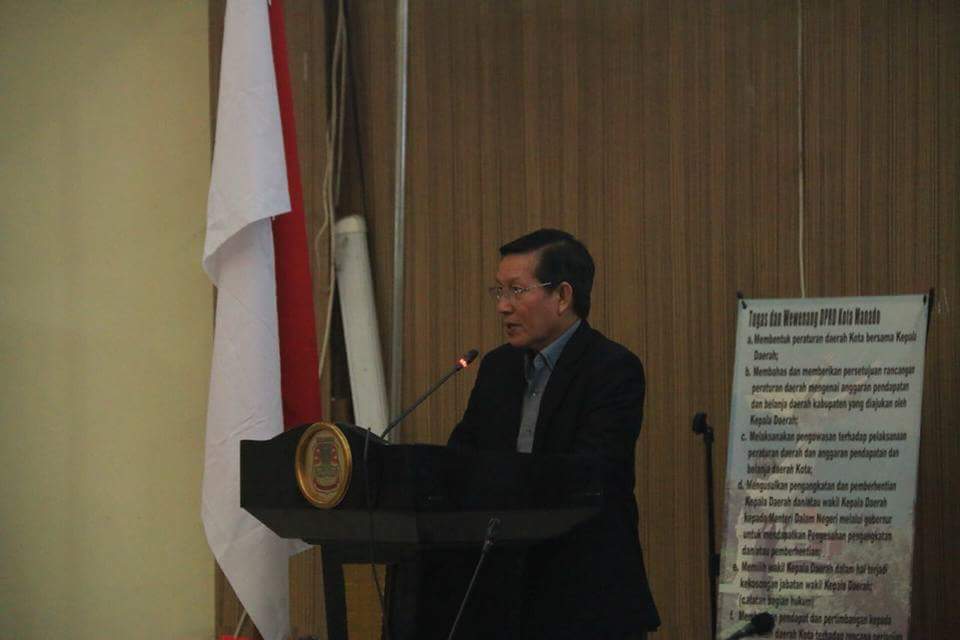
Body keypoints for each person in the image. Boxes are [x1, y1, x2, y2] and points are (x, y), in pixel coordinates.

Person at [442, 228, 661, 639]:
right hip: (505, 598)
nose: (502, 306)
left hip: (587, 597)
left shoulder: (612, 368)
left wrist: (501, 482)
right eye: (499, 291)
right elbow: (462, 455)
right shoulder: (497, 369)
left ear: (562, 296)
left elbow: (591, 473)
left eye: (516, 290)